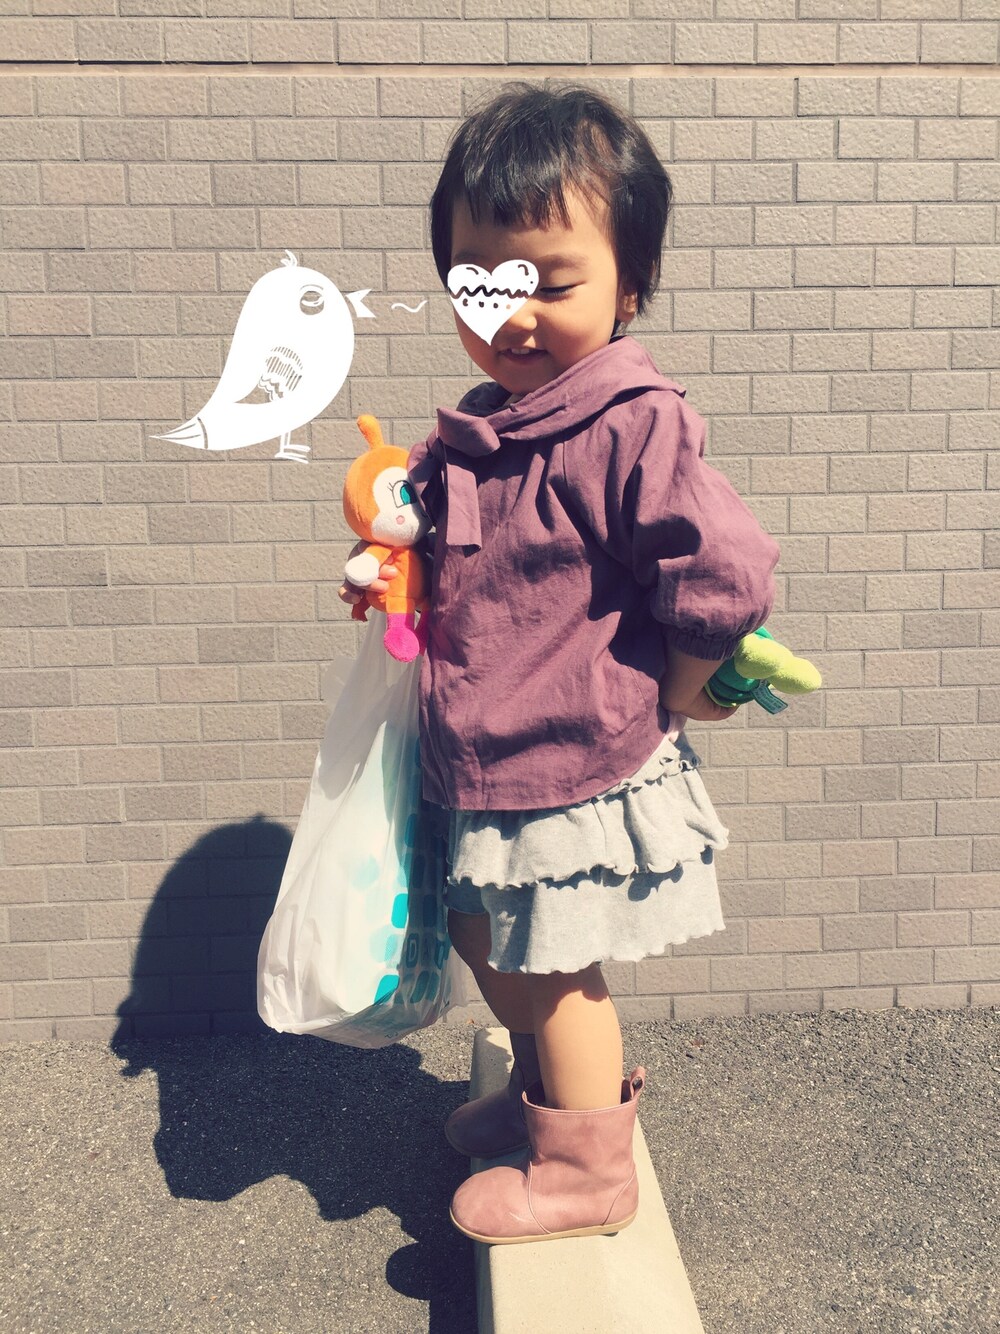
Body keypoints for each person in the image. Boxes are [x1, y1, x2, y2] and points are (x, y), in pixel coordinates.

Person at [340, 82, 780, 1245]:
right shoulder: (486, 423)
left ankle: (587, 1168)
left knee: (555, 968)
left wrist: (683, 685)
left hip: (569, 754)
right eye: (481, 280)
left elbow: (725, 567)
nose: (513, 310)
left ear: (629, 285)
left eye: (551, 280)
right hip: (483, 747)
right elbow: (451, 543)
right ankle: (549, 1098)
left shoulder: (629, 421)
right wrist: (391, 557)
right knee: (490, 939)